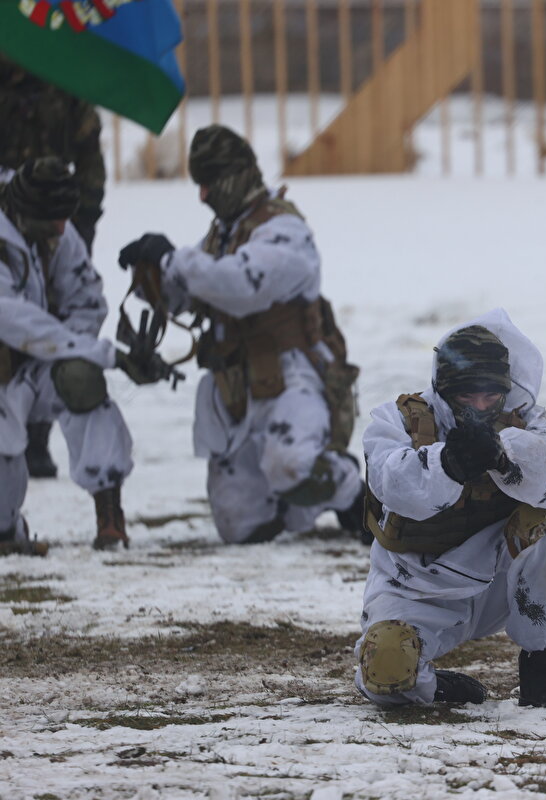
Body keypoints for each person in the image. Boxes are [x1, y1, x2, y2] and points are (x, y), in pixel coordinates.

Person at [118, 125, 364, 545]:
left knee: (290, 465)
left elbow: (240, 285)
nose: (204, 196)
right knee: (239, 526)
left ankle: (355, 497)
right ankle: (290, 508)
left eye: (210, 184)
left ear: (240, 175)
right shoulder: (222, 234)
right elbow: (191, 295)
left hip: (293, 381)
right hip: (236, 388)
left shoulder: (284, 230)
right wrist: (151, 276)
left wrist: (172, 259)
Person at [356, 309, 546, 713]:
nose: (481, 405)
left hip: (500, 582)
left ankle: (543, 676)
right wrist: (450, 463)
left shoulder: (523, 417)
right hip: (417, 590)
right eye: (467, 395)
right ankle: (430, 682)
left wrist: (504, 457)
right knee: (386, 674)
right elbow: (393, 483)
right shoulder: (396, 421)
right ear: (443, 388)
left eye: (490, 394)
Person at [0, 157, 132, 554]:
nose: (62, 229)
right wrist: (96, 351)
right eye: (53, 222)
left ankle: (109, 514)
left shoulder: (53, 223)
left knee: (80, 379)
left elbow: (87, 301)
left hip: (35, 365)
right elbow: (10, 317)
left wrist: (71, 351)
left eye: (64, 220)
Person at [0, 56, 108, 479]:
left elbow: (89, 155)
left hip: (55, 220)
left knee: (55, 318)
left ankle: (37, 438)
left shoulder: (65, 82)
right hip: (7, 216)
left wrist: (81, 220)